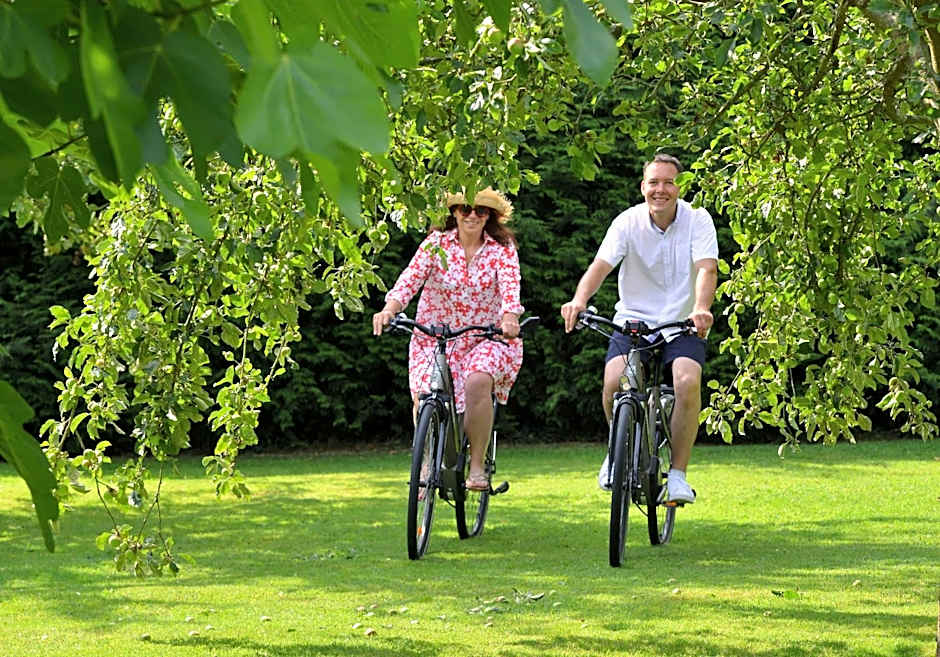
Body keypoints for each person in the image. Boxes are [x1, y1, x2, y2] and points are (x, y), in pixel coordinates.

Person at [560, 154, 718, 504]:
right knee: (614, 382)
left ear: (680, 186)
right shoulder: (626, 222)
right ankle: (617, 454)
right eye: (653, 182)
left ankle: (677, 475)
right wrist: (579, 300)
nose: (660, 189)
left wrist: (701, 308)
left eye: (668, 182)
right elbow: (600, 266)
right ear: (643, 187)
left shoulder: (698, 219)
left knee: (687, 382)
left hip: (681, 322)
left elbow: (707, 268)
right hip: (633, 320)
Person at [373, 187, 525, 491]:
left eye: (481, 211)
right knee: (424, 393)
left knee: (478, 382)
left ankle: (478, 466)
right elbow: (409, 280)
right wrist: (390, 308)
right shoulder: (436, 244)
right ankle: (428, 457)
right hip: (435, 337)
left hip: (485, 337)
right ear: (454, 212)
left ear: (490, 217)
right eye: (465, 208)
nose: (472, 215)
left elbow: (510, 286)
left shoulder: (501, 249)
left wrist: (510, 317)